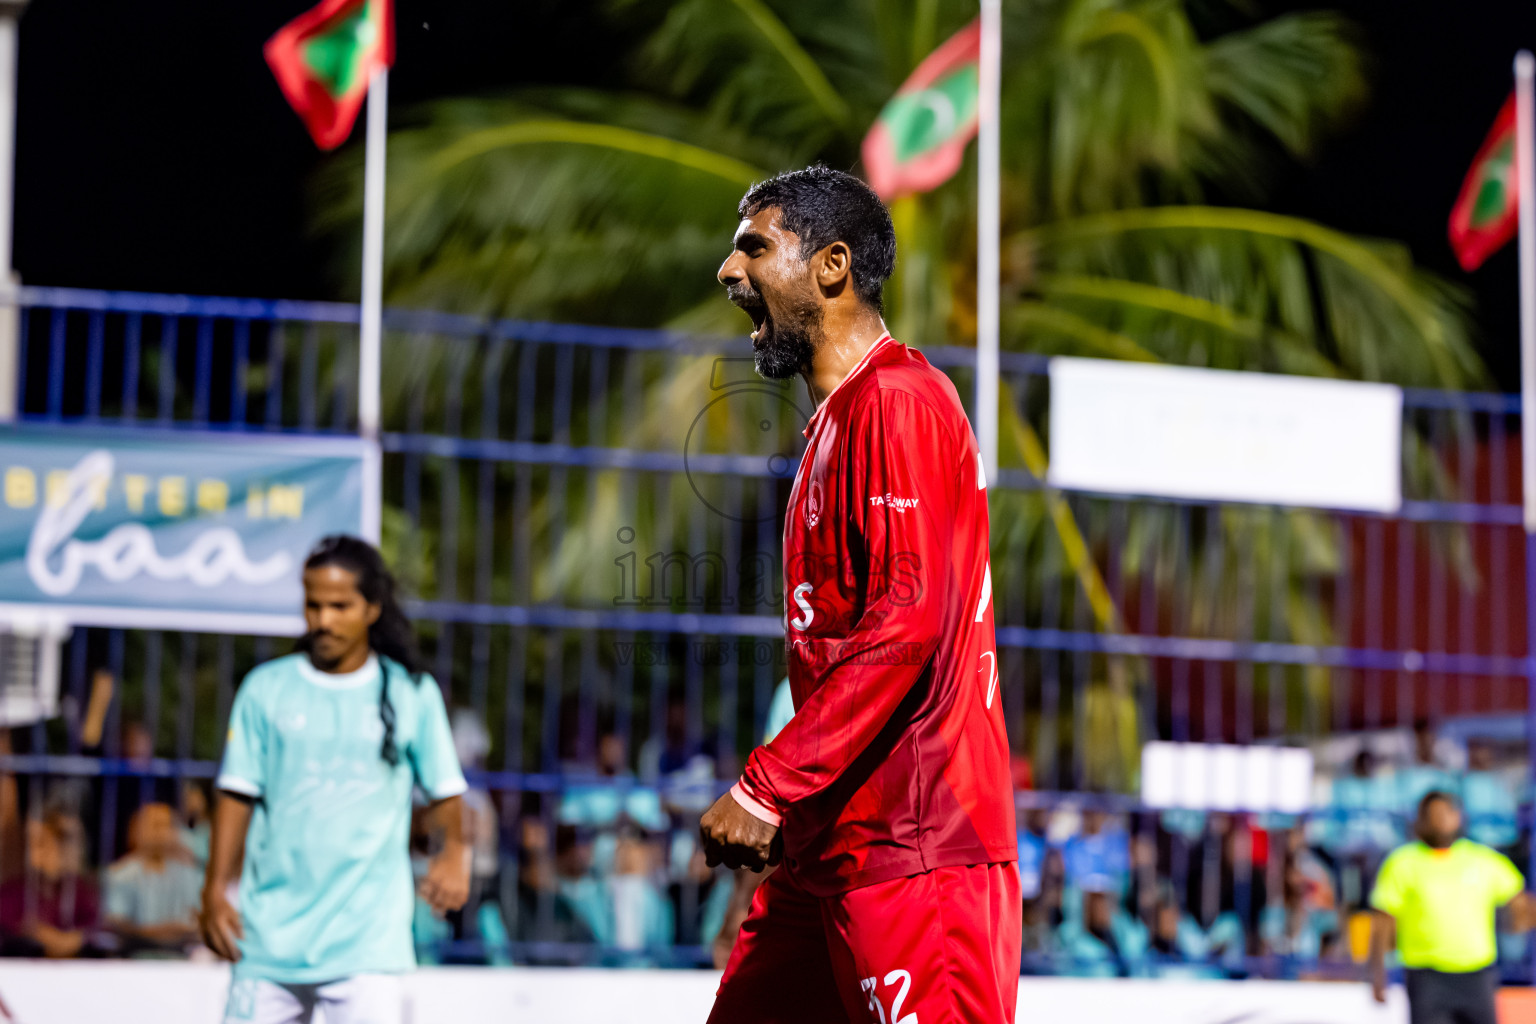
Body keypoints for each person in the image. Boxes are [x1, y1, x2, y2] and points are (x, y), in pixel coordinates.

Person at [701, 166, 1020, 1023]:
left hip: (917, 851)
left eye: (753, 247)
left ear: (831, 265)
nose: (729, 272)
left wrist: (767, 784)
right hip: (835, 849)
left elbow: (904, 626)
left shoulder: (899, 401)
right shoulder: (833, 425)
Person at [200, 535, 471, 1024]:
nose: (324, 620)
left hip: (366, 943)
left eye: (340, 606)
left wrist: (453, 853)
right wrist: (214, 890)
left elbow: (446, 789)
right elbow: (236, 792)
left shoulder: (410, 691)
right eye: (313, 605)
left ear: (371, 608)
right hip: (268, 938)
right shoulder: (267, 688)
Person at [1368, 791, 1532, 1024]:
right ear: (1420, 821)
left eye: (1445, 813)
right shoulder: (1402, 862)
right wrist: (1377, 975)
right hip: (1427, 976)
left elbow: (1519, 901)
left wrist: (1518, 922)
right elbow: (1383, 922)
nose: (1439, 820)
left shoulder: (1483, 859)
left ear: (1458, 817)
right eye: (1432, 815)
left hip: (1476, 973)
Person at [104, 802, 202, 957]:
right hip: (133, 958)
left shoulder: (192, 875)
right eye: (155, 826)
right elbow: (116, 925)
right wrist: (161, 932)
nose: (162, 833)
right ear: (136, 831)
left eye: (168, 826)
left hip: (183, 960)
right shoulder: (120, 874)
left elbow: (199, 922)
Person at [0, 809, 100, 958]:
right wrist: (41, 934)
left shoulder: (81, 889)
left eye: (44, 844)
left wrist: (74, 939)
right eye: (34, 844)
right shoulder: (14, 889)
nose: (37, 852)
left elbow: (95, 925)